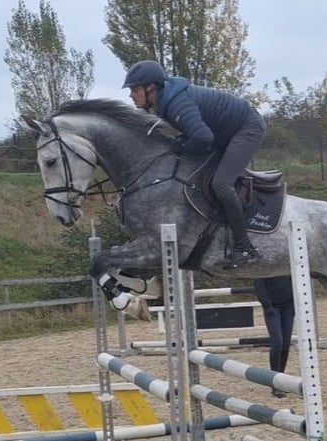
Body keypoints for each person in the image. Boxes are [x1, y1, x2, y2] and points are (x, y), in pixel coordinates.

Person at [122, 59, 265, 269]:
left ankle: (245, 247)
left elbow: (202, 138)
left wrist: (181, 146)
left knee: (221, 184)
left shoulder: (176, 103)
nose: (131, 95)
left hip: (247, 128)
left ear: (150, 87)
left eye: (134, 89)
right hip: (224, 133)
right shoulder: (165, 102)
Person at [254, 276, 295, 397]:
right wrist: (267, 305)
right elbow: (259, 286)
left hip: (289, 307)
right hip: (272, 307)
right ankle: (274, 381)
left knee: (286, 344)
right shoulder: (264, 268)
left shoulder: (288, 265)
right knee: (277, 343)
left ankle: (280, 379)